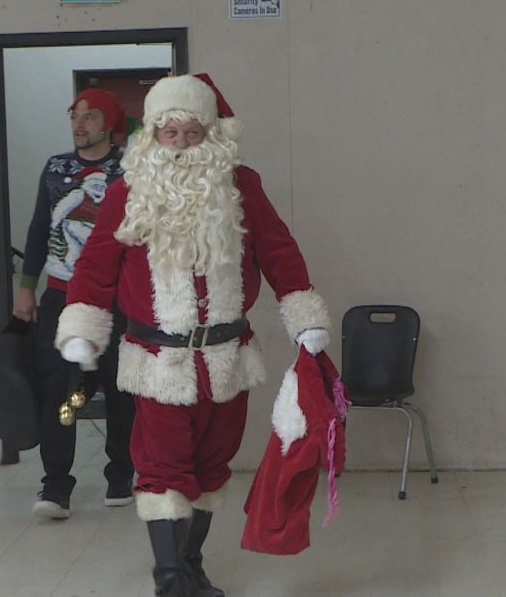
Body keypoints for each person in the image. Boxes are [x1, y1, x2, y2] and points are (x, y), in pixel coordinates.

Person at [54, 74, 331, 597]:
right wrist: (83, 327)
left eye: (191, 133)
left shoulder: (241, 185)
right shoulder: (126, 192)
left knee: (212, 465)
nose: (180, 144)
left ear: (210, 133)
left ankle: (190, 562)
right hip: (158, 360)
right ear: (152, 135)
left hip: (227, 356)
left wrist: (304, 314)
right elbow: (94, 266)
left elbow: (278, 250)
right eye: (169, 133)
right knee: (161, 467)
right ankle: (169, 577)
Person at [13, 87, 136, 520]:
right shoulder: (56, 168)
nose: (79, 123)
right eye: (74, 115)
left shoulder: (129, 168)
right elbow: (37, 228)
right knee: (62, 391)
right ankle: (56, 485)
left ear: (109, 123)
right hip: (62, 295)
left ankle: (121, 472)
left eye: (89, 116)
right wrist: (27, 287)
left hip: (116, 295)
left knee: (121, 387)